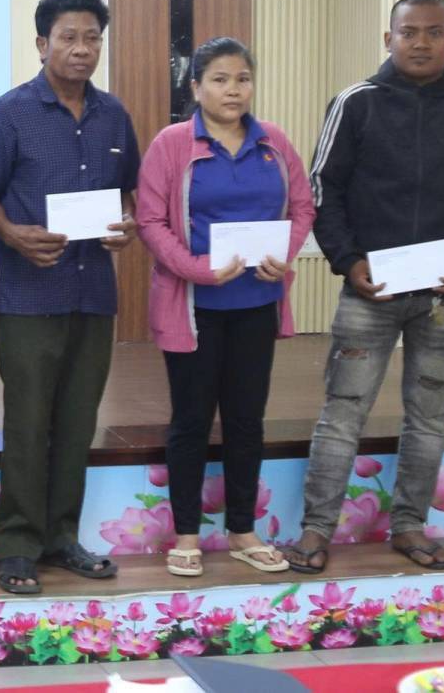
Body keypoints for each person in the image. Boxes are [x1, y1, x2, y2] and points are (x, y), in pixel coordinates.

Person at [288, 0, 444, 575]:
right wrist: (348, 261)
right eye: (409, 32)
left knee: (431, 415)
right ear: (389, 39)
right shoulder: (356, 103)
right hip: (371, 292)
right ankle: (315, 530)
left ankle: (409, 525)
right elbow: (323, 188)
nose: (421, 43)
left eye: (434, 32)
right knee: (344, 411)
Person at [0, 0, 141, 596]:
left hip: (93, 293)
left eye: (92, 38)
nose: (82, 49)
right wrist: (13, 234)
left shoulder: (114, 115)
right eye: (69, 38)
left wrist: (127, 225)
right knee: (27, 424)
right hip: (29, 296)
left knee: (77, 423)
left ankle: (62, 537)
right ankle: (17, 546)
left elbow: (129, 192)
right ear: (42, 43)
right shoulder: (11, 112)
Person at [134, 37, 316, 579]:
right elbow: (150, 221)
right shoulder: (171, 144)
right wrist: (196, 268)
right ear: (196, 88)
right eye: (219, 79)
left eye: (242, 79)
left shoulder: (274, 141)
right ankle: (187, 534)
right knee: (191, 420)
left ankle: (242, 531)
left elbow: (302, 207)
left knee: (246, 420)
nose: (233, 90)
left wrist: (283, 254)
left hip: (257, 302)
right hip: (194, 306)